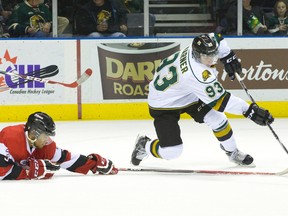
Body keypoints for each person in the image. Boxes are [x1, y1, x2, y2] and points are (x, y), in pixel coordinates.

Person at [131, 33, 274, 167]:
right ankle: (144, 145)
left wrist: (228, 56)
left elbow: (217, 37)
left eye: (214, 54)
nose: (212, 59)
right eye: (208, 56)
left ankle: (232, 153)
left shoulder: (199, 48)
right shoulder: (196, 74)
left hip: (187, 93)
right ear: (197, 54)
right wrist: (249, 111)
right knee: (172, 152)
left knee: (218, 120)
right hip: (164, 104)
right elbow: (221, 102)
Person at [0, 112, 118, 180]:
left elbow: (65, 158)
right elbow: (1, 171)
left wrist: (93, 164)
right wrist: (29, 172)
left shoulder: (45, 146)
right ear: (34, 132)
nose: (47, 140)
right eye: (45, 135)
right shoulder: (9, 137)